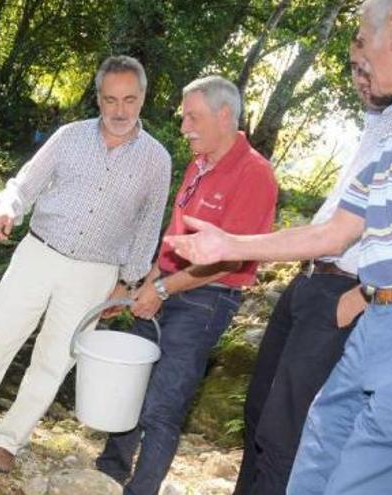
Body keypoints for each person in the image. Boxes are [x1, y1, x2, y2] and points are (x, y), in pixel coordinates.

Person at [167, 2, 392, 491]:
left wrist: (364, 293)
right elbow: (333, 231)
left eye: (362, 39)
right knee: (311, 458)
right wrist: (228, 242)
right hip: (373, 319)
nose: (358, 55)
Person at [0, 55, 172, 472]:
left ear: (143, 98)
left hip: (97, 273)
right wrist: (6, 210)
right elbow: (25, 183)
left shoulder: (157, 159)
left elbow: (149, 226)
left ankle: (10, 440)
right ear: (98, 98)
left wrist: (127, 282)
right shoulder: (69, 136)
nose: (120, 110)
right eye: (110, 99)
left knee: (56, 359)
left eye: (129, 99)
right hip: (39, 252)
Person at [95, 75, 278, 495]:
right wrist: (146, 284)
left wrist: (161, 291)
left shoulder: (255, 175)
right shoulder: (199, 163)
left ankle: (140, 488)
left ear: (225, 114)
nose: (184, 128)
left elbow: (228, 259)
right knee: (133, 384)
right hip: (167, 284)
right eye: (184, 118)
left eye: (192, 118)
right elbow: (174, 237)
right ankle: (107, 471)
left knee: (163, 403)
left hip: (207, 300)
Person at [233, 40, 392, 495]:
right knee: (258, 412)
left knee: (286, 432)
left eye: (370, 67)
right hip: (306, 282)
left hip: (345, 291)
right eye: (354, 68)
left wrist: (365, 294)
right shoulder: (377, 123)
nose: (361, 78)